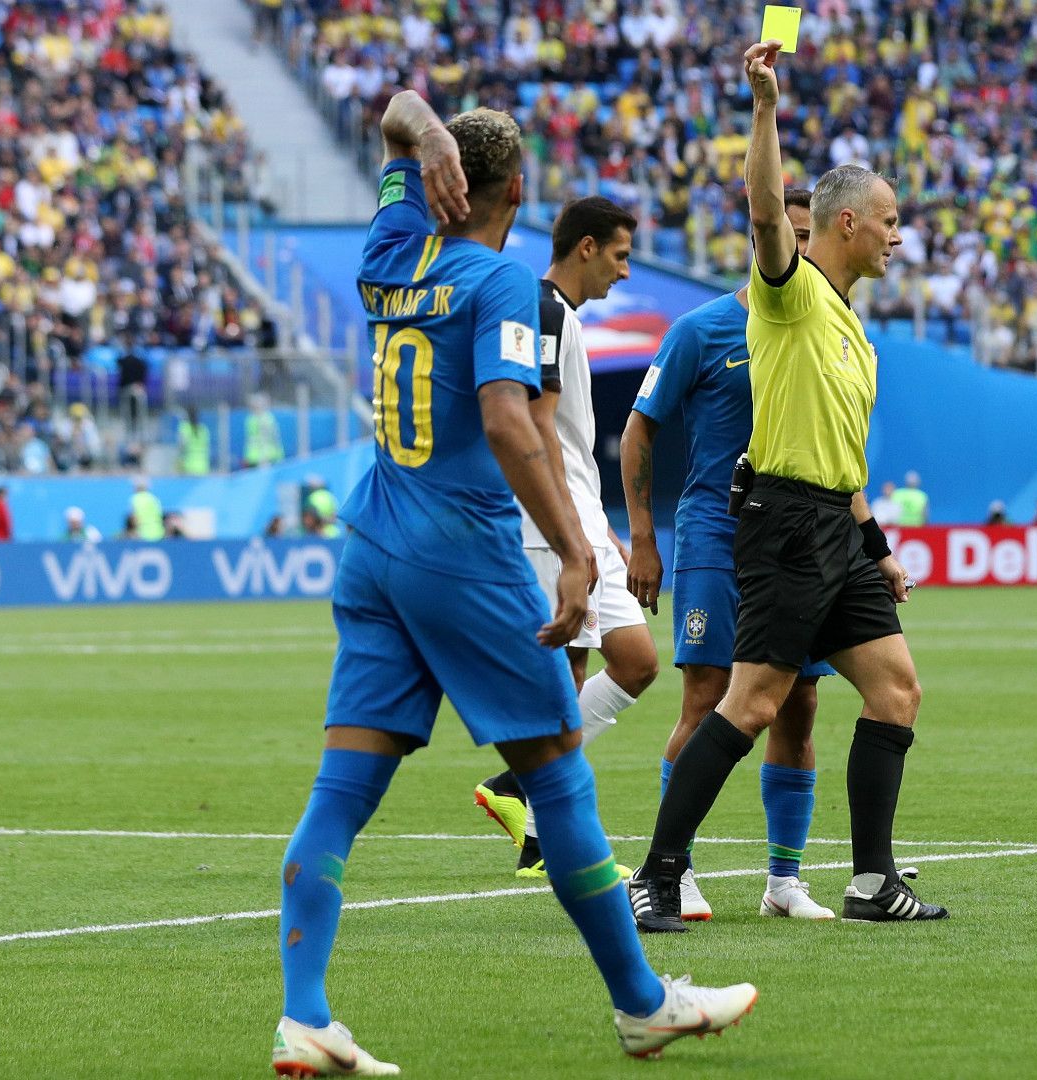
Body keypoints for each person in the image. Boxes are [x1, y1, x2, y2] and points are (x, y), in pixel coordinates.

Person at [270, 91, 754, 1076]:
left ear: (440, 179)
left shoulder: (392, 250)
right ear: (519, 191)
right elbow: (505, 421)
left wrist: (424, 129)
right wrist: (578, 550)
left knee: (344, 787)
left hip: (375, 545)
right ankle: (644, 1004)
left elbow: (397, 116)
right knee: (559, 779)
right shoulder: (496, 283)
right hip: (463, 550)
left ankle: (305, 1015)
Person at [629, 39, 946, 933]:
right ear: (846, 224)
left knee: (894, 690)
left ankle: (872, 882)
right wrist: (765, 107)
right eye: (888, 220)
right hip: (781, 522)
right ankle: (655, 873)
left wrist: (874, 552)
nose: (897, 234)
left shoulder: (854, 332)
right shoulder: (792, 295)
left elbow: (846, 465)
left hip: (835, 532)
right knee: (751, 702)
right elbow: (768, 211)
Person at [620, 187, 839, 923]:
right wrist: (644, 537)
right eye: (792, 234)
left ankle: (784, 880)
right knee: (707, 694)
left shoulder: (822, 331)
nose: (802, 249)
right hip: (715, 534)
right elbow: (639, 429)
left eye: (812, 237)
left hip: (795, 542)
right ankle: (672, 869)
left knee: (799, 705)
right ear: (765, 235)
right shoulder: (701, 329)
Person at [470, 196, 663, 881]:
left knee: (629, 664)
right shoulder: (545, 308)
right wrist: (571, 529)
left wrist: (602, 525)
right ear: (585, 247)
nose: (624, 271)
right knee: (579, 673)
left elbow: (570, 441)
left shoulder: (564, 315)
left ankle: (519, 793)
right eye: (618, 255)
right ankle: (544, 819)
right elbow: (539, 423)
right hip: (555, 520)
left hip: (578, 510)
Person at [244, 393, 285, 468]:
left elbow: (270, 437)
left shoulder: (266, 419)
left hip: (267, 456)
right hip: (256, 457)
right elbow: (250, 439)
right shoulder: (251, 419)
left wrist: (264, 457)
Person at [129, 476, 165, 542]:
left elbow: (135, 518)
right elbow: (160, 515)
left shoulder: (136, 498)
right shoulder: (154, 498)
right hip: (158, 532)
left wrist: (135, 531)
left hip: (143, 533)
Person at [178, 406, 211, 476]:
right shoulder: (203, 429)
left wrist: (179, 463)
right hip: (203, 466)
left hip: (188, 466)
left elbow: (181, 447)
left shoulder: (184, 427)